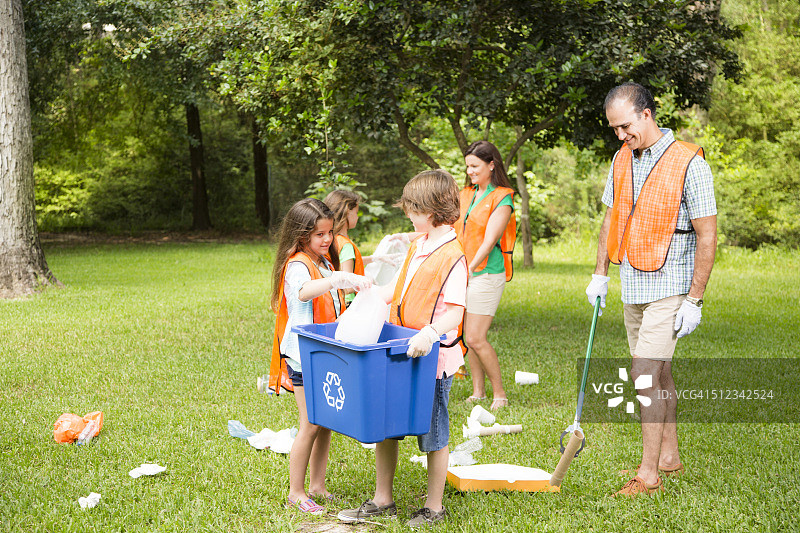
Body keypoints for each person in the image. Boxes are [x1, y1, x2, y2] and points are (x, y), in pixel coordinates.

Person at [586, 82, 717, 497]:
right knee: (658, 372)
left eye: (625, 126)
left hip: (671, 286)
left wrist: (694, 300)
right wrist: (600, 272)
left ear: (646, 114)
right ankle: (670, 458)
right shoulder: (621, 158)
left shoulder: (689, 163)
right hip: (633, 284)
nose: (621, 135)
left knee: (643, 374)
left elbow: (708, 235)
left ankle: (648, 476)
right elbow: (612, 218)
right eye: (614, 129)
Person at [337, 170, 467, 528]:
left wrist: (429, 333)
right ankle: (383, 499)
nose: (407, 215)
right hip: (396, 351)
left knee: (434, 433)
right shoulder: (417, 244)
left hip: (432, 358)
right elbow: (394, 289)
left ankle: (434, 507)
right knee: (387, 424)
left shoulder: (453, 255)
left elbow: (455, 312)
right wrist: (363, 293)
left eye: (412, 209)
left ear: (432, 208)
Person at [268, 198, 372, 514]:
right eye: (319, 235)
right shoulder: (299, 264)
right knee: (311, 423)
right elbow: (302, 292)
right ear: (302, 236)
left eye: (328, 233)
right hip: (303, 355)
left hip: (324, 351)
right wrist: (339, 279)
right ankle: (296, 492)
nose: (327, 239)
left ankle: (317, 485)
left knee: (325, 422)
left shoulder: (323, 260)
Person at [453, 140, 516, 411]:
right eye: (467, 166)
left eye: (475, 166)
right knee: (467, 337)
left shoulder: (502, 196)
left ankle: (499, 393)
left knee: (476, 337)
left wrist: (467, 270)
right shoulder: (465, 194)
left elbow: (489, 242)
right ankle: (478, 392)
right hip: (464, 273)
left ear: (491, 165)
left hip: (487, 274)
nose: (470, 171)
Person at [323, 189, 403, 304]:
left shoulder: (330, 240)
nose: (357, 217)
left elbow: (344, 262)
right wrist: (367, 282)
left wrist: (375, 258)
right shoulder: (346, 246)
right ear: (346, 213)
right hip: (349, 303)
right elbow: (347, 287)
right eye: (356, 212)